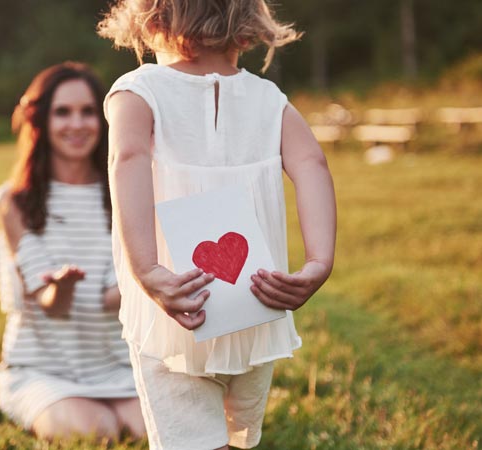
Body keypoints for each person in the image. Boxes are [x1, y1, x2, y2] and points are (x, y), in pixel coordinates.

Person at [98, 1, 337, 449]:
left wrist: (149, 270)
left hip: (177, 301)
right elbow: (312, 165)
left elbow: (126, 160)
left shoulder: (138, 90)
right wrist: (318, 262)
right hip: (255, 302)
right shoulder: (269, 99)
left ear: (150, 19)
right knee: (237, 439)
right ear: (249, 25)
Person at [0, 62, 145, 442]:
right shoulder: (14, 202)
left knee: (150, 431)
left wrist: (158, 277)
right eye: (63, 112)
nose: (77, 124)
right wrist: (61, 286)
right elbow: (51, 304)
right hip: (43, 370)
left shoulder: (124, 194)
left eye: (88, 111)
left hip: (117, 368)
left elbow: (114, 298)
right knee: (97, 431)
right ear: (41, 120)